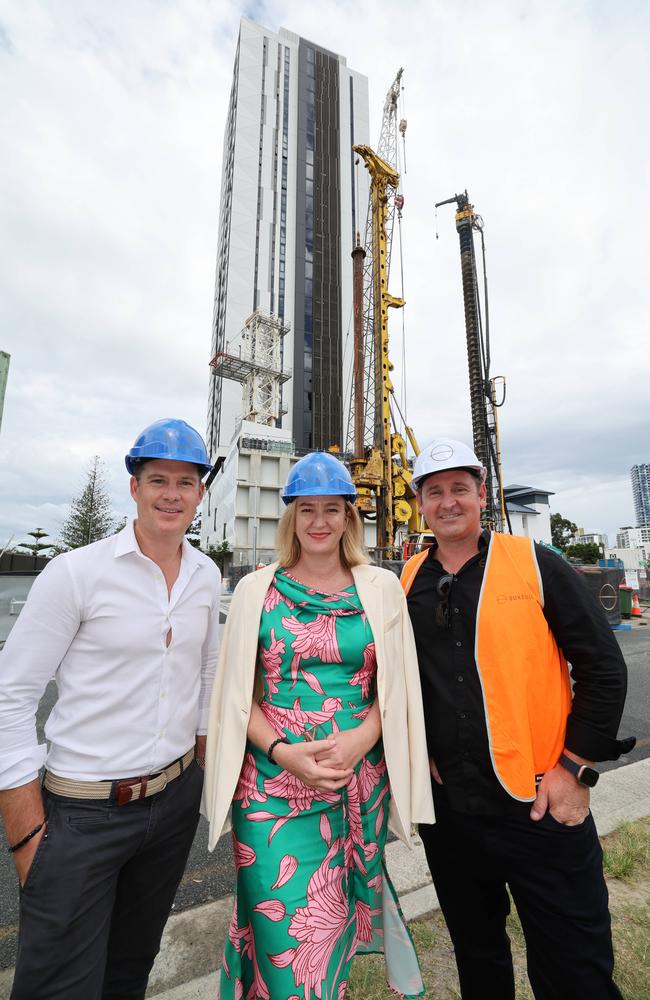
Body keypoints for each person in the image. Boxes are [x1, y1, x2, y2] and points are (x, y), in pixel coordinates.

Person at [401, 437, 636, 1000]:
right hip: (451, 813)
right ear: (420, 505)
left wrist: (574, 769)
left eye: (460, 488)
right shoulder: (406, 580)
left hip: (538, 805)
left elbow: (603, 670)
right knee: (478, 954)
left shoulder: (537, 565)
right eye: (435, 492)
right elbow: (399, 683)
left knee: (573, 963)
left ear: (483, 495)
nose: (448, 501)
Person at [0, 418, 221, 1000]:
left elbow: (205, 669)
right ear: (134, 487)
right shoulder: (76, 573)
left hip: (172, 804)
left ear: (201, 492)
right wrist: (26, 832)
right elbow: (12, 695)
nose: (171, 494)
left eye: (185, 482)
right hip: (82, 812)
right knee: (60, 985)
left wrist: (199, 756)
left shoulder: (205, 575)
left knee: (129, 970)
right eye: (158, 480)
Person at [203, 451, 434, 999]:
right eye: (307, 509)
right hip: (271, 790)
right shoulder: (257, 591)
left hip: (357, 780)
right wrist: (282, 751)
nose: (320, 522)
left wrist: (361, 739)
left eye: (333, 509)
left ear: (350, 518)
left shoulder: (380, 588)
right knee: (281, 926)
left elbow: (397, 689)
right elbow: (239, 697)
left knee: (332, 925)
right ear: (291, 517)